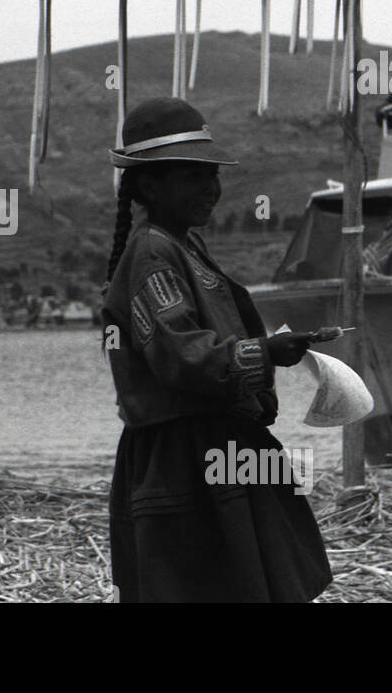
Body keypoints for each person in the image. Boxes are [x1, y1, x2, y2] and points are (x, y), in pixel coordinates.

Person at [101, 98, 332, 602]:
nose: (210, 188)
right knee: (202, 583)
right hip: (182, 454)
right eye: (192, 175)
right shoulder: (154, 254)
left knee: (245, 579)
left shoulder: (182, 243)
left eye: (212, 174)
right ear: (149, 184)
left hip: (214, 444)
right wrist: (266, 353)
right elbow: (182, 358)